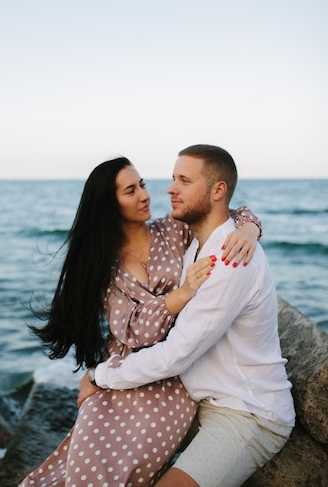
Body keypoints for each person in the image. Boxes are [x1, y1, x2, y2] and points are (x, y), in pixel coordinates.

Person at [18, 156, 262, 487]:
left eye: (143, 184)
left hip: (168, 379)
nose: (145, 195)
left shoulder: (173, 230)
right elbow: (133, 331)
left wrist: (250, 229)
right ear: (109, 205)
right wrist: (182, 293)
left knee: (115, 473)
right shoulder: (106, 267)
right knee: (75, 467)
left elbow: (226, 213)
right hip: (121, 370)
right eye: (130, 191)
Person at [79, 145, 295, 487]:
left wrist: (98, 376)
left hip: (245, 411)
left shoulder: (229, 258)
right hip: (197, 398)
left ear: (217, 190)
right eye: (171, 179)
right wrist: (250, 224)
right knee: (94, 444)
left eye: (184, 180)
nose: (168, 189)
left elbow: (176, 354)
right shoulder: (195, 244)